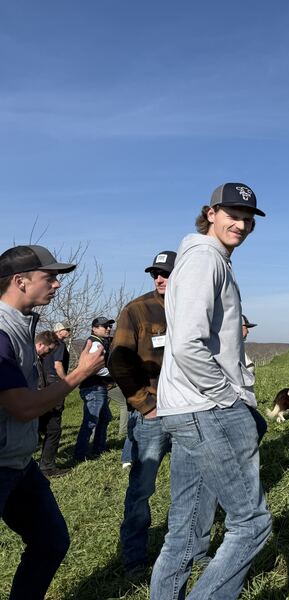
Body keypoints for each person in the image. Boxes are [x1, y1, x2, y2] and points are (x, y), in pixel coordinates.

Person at [151, 182, 272, 600]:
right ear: (210, 213)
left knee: (185, 533)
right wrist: (229, 399)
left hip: (185, 408)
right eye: (232, 214)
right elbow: (187, 344)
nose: (240, 223)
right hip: (208, 408)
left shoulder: (203, 258)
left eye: (248, 218)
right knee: (251, 524)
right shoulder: (206, 261)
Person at [0, 244, 105, 599]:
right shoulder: (1, 329)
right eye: (50, 277)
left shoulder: (22, 325)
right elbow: (22, 407)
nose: (57, 285)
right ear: (21, 281)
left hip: (17, 462)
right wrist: (80, 373)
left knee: (51, 541)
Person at [109, 250, 204, 573]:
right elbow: (119, 362)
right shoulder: (136, 310)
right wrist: (145, 406)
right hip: (154, 414)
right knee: (142, 488)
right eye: (155, 274)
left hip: (191, 411)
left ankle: (191, 551)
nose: (160, 278)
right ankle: (134, 557)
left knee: (192, 487)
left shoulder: (196, 308)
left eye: (166, 272)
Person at [73, 316, 115, 462]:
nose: (108, 328)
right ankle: (80, 455)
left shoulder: (98, 342)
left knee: (103, 419)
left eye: (109, 326)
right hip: (94, 387)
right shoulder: (96, 344)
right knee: (91, 421)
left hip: (97, 387)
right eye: (105, 326)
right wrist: (115, 374)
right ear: (95, 328)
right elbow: (95, 368)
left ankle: (98, 450)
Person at [38, 322, 72, 476]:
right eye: (67, 329)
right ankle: (47, 467)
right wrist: (66, 384)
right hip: (52, 388)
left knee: (43, 427)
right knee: (53, 429)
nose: (69, 331)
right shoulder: (59, 345)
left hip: (43, 390)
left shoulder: (37, 354)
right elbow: (58, 366)